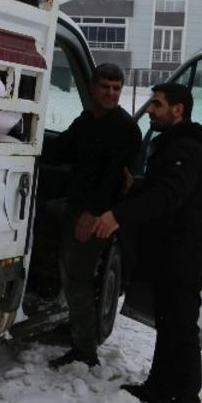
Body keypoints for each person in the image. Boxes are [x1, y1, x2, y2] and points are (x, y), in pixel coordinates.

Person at [90, 82, 202, 403]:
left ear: (178, 110)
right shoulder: (177, 146)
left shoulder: (187, 149)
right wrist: (139, 189)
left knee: (181, 331)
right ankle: (161, 386)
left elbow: (170, 196)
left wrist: (119, 214)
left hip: (185, 257)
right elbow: (168, 188)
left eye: (157, 105)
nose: (150, 110)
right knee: (168, 324)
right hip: (171, 254)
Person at [45, 63, 141, 370]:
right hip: (75, 207)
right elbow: (61, 150)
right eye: (105, 87)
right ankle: (74, 326)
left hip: (97, 217)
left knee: (80, 279)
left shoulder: (124, 128)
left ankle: (84, 349)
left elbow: (114, 180)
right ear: (92, 88)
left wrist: (91, 215)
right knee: (70, 272)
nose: (111, 93)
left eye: (116, 88)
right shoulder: (87, 121)